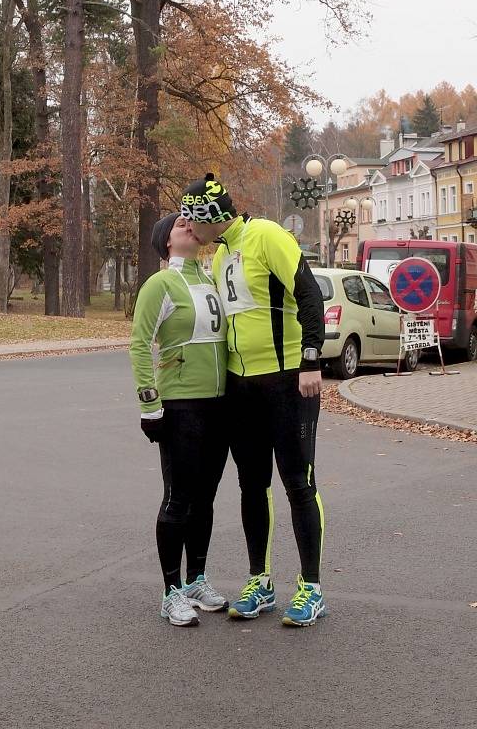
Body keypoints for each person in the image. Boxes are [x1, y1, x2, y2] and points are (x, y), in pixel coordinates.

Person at [180, 174, 326, 626]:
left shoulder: (266, 235)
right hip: (243, 387)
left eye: (191, 218)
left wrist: (311, 359)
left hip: (287, 381)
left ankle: (311, 587)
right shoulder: (221, 252)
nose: (187, 226)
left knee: (298, 482)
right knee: (251, 484)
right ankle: (260, 581)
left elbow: (309, 293)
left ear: (210, 218)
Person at [129, 212, 229, 627]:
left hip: (219, 405)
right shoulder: (161, 283)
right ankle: (171, 591)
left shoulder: (211, 280)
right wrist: (150, 407)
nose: (189, 225)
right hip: (181, 405)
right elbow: (139, 345)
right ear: (165, 242)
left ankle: (196, 580)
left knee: (205, 496)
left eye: (191, 220)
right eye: (178, 224)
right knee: (179, 498)